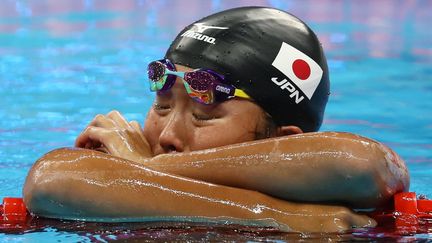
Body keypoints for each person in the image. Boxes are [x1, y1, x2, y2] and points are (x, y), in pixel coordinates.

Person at [23, 7, 409, 232]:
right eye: (161, 107)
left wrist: (146, 166)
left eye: (205, 115)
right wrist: (285, 218)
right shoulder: (118, 181)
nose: (168, 134)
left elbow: (361, 164)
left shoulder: (345, 207)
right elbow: (50, 180)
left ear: (283, 137)